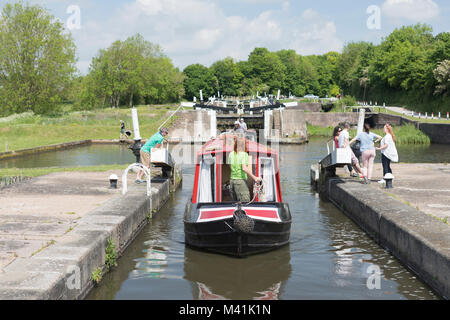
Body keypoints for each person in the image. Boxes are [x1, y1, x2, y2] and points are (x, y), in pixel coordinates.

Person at [228, 137, 262, 202]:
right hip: (240, 181)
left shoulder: (231, 154)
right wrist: (255, 178)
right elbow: (244, 168)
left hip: (232, 181)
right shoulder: (244, 154)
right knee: (245, 202)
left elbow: (230, 166)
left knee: (235, 202)